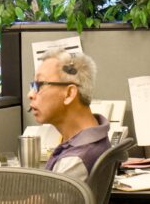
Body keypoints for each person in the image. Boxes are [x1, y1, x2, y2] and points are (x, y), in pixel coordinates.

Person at [28, 47, 110, 181]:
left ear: (69, 94)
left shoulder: (75, 160)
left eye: (39, 85)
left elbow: (42, 202)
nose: (30, 95)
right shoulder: (92, 140)